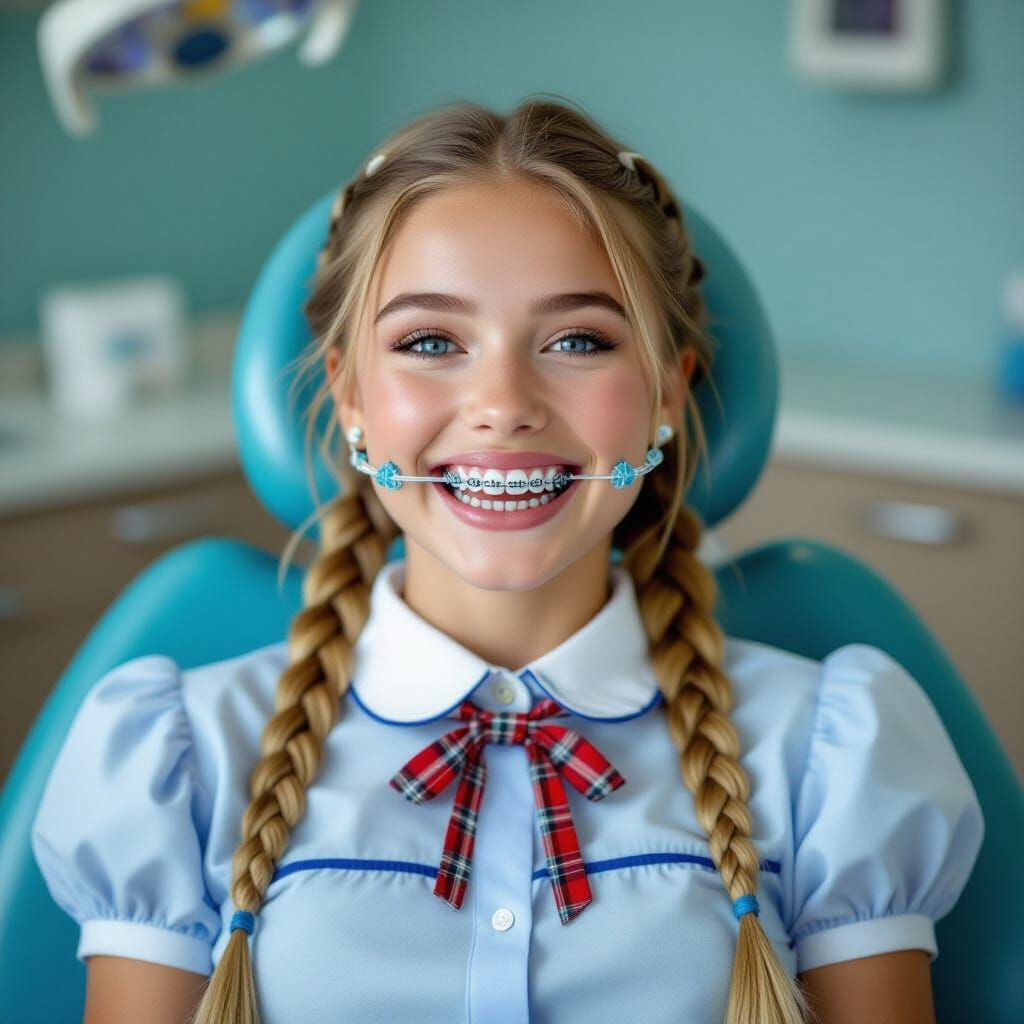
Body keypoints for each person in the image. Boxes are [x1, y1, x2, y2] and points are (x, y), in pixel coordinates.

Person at [30, 97, 984, 1024]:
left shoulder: (828, 756)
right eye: (431, 341)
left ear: (666, 393)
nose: (504, 403)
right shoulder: (182, 762)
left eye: (577, 340)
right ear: (351, 397)